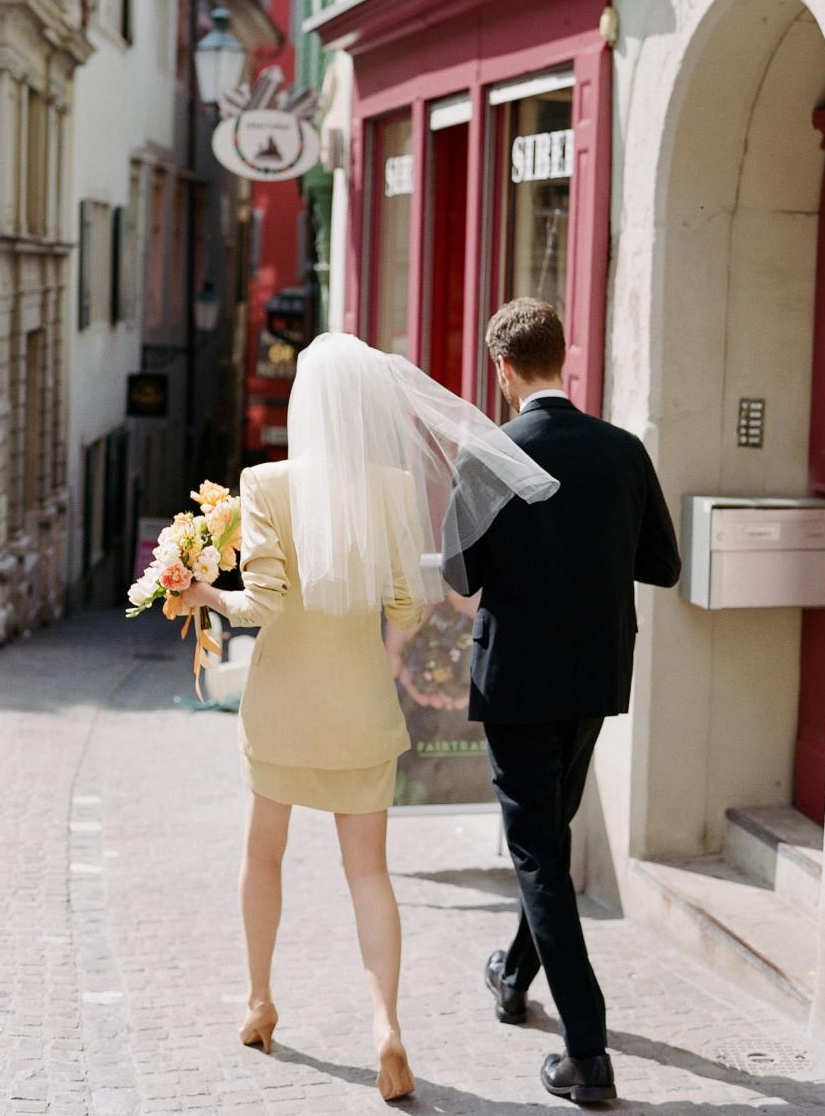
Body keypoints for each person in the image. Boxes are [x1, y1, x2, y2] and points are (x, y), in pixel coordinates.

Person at [178, 332, 558, 1102]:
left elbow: (267, 602)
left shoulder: (265, 482)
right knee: (369, 872)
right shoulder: (388, 488)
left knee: (263, 855)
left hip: (283, 706)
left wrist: (207, 596)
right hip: (360, 707)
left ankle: (259, 1002)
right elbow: (406, 605)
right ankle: (385, 1023)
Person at [442, 298, 681, 1108]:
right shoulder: (622, 450)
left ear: (502, 368)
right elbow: (664, 564)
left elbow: (460, 575)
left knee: (540, 852)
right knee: (547, 839)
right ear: (563, 359)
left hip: (516, 685)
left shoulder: (490, 456)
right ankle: (512, 975)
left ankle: (588, 1050)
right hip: (593, 680)